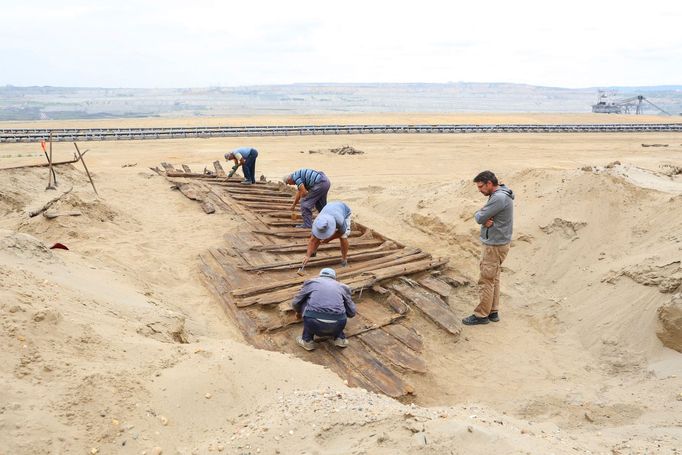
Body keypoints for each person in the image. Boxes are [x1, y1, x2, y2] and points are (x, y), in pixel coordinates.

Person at [462, 170, 515, 326]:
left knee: (486, 280)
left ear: (489, 183)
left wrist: (481, 215)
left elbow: (479, 217)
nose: (479, 190)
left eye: (481, 187)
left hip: (494, 245)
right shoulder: (502, 194)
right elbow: (485, 217)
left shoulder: (498, 198)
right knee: (494, 278)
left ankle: (481, 315)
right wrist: (485, 217)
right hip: (500, 243)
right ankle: (493, 311)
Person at [291, 267, 356, 351]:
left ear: (320, 276)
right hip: (338, 325)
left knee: (304, 301)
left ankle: (307, 340)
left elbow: (295, 302)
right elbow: (352, 312)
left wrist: (298, 312)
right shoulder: (343, 287)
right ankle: (340, 338)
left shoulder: (311, 283)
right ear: (334, 277)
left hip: (313, 323)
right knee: (341, 304)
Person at [302, 201, 351, 268]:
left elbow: (341, 232)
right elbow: (312, 240)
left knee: (343, 237)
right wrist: (307, 255)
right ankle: (313, 252)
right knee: (318, 234)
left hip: (344, 210)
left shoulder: (340, 220)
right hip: (330, 208)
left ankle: (344, 259)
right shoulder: (317, 222)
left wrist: (328, 239)